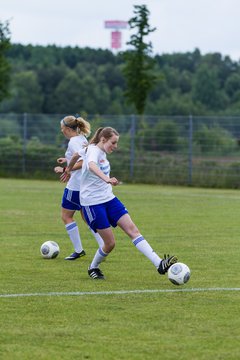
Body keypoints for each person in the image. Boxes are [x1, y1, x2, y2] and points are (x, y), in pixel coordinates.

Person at [65, 126, 178, 279]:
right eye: (113, 142)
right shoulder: (93, 151)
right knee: (110, 244)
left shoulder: (97, 151)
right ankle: (93, 267)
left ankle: (159, 264)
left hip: (109, 199)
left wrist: (68, 169)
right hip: (92, 203)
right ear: (103, 139)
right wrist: (106, 179)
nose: (115, 146)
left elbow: (76, 155)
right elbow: (91, 166)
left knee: (133, 230)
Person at [54, 115, 104, 260]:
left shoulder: (73, 142)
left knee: (66, 216)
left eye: (62, 128)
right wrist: (67, 159)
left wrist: (64, 169)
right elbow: (81, 156)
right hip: (85, 185)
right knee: (86, 217)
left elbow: (83, 162)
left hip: (75, 186)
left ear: (68, 129)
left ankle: (79, 250)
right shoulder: (82, 139)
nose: (61, 131)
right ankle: (103, 247)